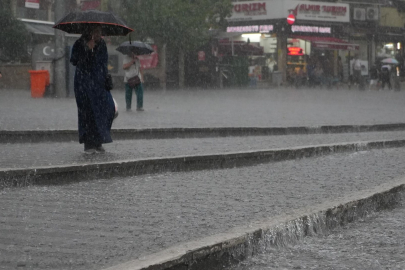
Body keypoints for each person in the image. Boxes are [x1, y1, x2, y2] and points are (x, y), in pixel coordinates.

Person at [70, 26, 115, 154]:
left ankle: (99, 140)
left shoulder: (102, 44)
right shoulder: (80, 43)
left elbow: (103, 62)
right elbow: (75, 60)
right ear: (89, 31)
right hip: (84, 83)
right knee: (88, 112)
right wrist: (87, 50)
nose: (99, 34)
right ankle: (89, 143)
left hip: (99, 83)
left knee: (108, 108)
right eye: (96, 31)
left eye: (100, 32)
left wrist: (105, 77)